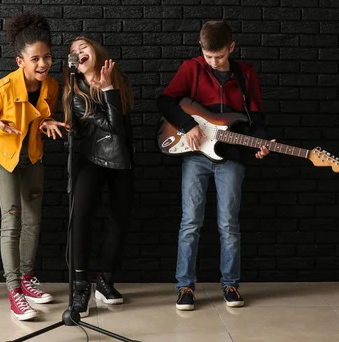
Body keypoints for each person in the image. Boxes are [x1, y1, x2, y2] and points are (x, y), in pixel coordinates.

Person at [157, 20, 271, 311]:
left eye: (219, 56)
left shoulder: (245, 73)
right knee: (190, 223)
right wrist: (187, 125)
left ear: (231, 47)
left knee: (229, 225)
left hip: (231, 158)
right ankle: (184, 287)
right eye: (208, 56)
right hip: (195, 155)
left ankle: (230, 284)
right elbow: (165, 102)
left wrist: (259, 141)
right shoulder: (191, 68)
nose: (213, 61)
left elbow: (256, 118)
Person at [0, 12, 67, 321]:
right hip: (5, 158)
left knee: (33, 221)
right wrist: (0, 125)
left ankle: (27, 280)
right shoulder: (1, 88)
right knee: (11, 221)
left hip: (33, 157)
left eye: (47, 57)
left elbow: (40, 118)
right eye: (35, 59)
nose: (43, 64)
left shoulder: (51, 86)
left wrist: (49, 122)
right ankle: (14, 290)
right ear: (20, 61)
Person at [63, 37, 135, 318]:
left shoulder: (119, 80)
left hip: (122, 159)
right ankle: (81, 284)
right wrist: (107, 91)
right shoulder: (75, 93)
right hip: (90, 158)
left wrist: (109, 87)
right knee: (80, 217)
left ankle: (105, 279)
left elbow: (124, 129)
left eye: (84, 48)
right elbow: (113, 126)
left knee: (120, 218)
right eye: (73, 52)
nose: (78, 53)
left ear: (95, 52)